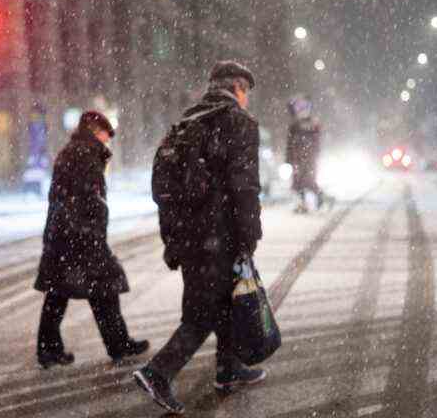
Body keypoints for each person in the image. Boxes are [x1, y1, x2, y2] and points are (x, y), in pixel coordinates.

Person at [134, 61, 266, 414]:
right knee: (203, 313)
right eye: (246, 92)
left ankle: (228, 369)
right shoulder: (238, 122)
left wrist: (173, 240)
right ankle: (158, 372)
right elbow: (244, 186)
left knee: (223, 304)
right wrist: (249, 235)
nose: (247, 99)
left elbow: (163, 188)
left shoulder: (185, 122)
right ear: (237, 88)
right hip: (218, 234)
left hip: (190, 236)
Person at [33, 111, 149, 369]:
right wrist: (92, 231)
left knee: (59, 293)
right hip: (79, 236)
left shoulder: (72, 151)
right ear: (96, 132)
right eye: (106, 137)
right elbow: (88, 198)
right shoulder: (84, 154)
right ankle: (118, 344)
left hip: (64, 235)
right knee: (103, 288)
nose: (107, 143)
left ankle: (50, 349)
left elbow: (70, 198)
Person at [286, 95, 332, 213]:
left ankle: (318, 200)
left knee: (306, 182)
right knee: (301, 182)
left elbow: (315, 142)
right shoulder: (296, 125)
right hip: (301, 158)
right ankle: (305, 203)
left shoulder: (305, 124)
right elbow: (290, 143)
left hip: (306, 158)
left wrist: (291, 157)